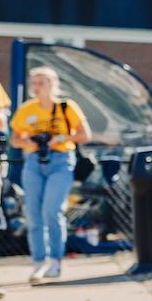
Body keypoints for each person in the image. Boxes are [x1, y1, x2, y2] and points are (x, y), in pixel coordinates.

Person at [10, 67, 91, 281]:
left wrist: (61, 139)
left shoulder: (66, 107)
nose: (36, 87)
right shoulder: (26, 110)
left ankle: (55, 259)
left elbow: (85, 135)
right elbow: (15, 139)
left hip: (60, 160)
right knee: (33, 215)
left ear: (52, 85)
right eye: (33, 83)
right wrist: (28, 141)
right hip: (33, 161)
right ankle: (39, 262)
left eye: (41, 83)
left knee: (51, 210)